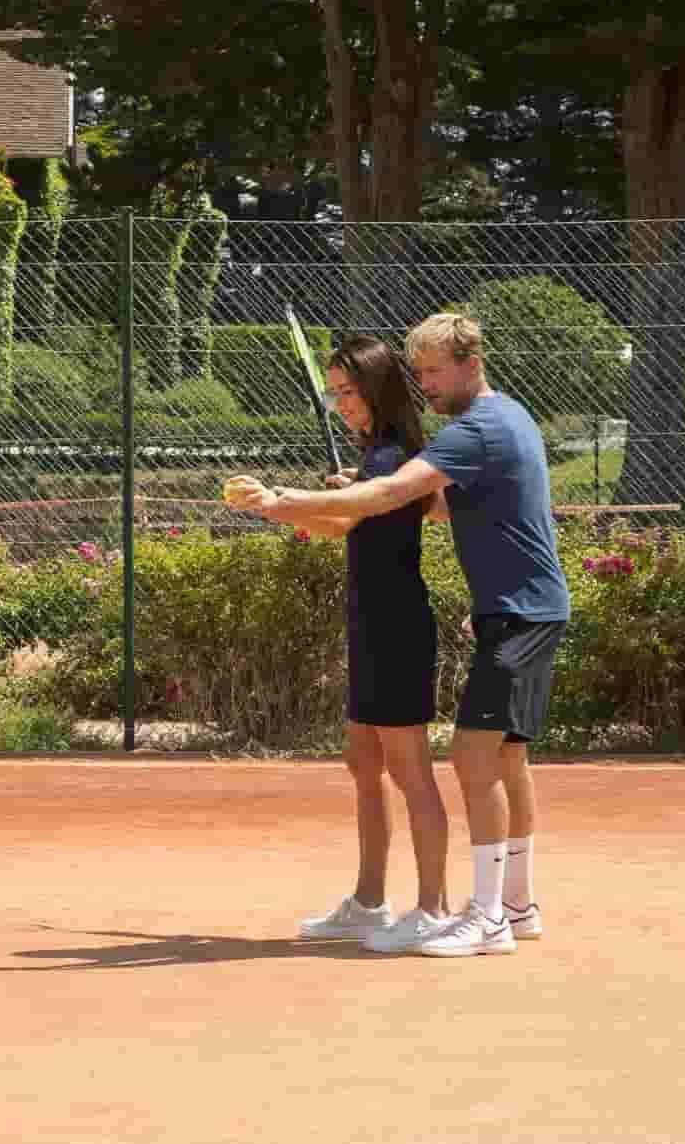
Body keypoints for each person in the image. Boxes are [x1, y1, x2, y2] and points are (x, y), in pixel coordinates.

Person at [226, 312, 570, 957]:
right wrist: (343, 495)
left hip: (510, 611)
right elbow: (429, 504)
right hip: (515, 607)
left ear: (473, 363)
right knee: (503, 758)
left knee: (471, 759)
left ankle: (484, 915)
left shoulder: (474, 430)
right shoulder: (506, 419)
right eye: (420, 374)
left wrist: (287, 501)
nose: (427, 386)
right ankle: (514, 906)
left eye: (435, 372)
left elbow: (392, 495)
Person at [284, 336, 452, 953]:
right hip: (369, 623)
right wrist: (333, 493)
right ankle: (370, 901)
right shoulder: (380, 459)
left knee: (412, 772)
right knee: (364, 764)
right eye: (335, 393)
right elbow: (349, 520)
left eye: (349, 392)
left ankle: (432, 909)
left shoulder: (397, 456)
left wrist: (280, 504)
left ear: (377, 390)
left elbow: (351, 515)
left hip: (396, 627)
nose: (340, 403)